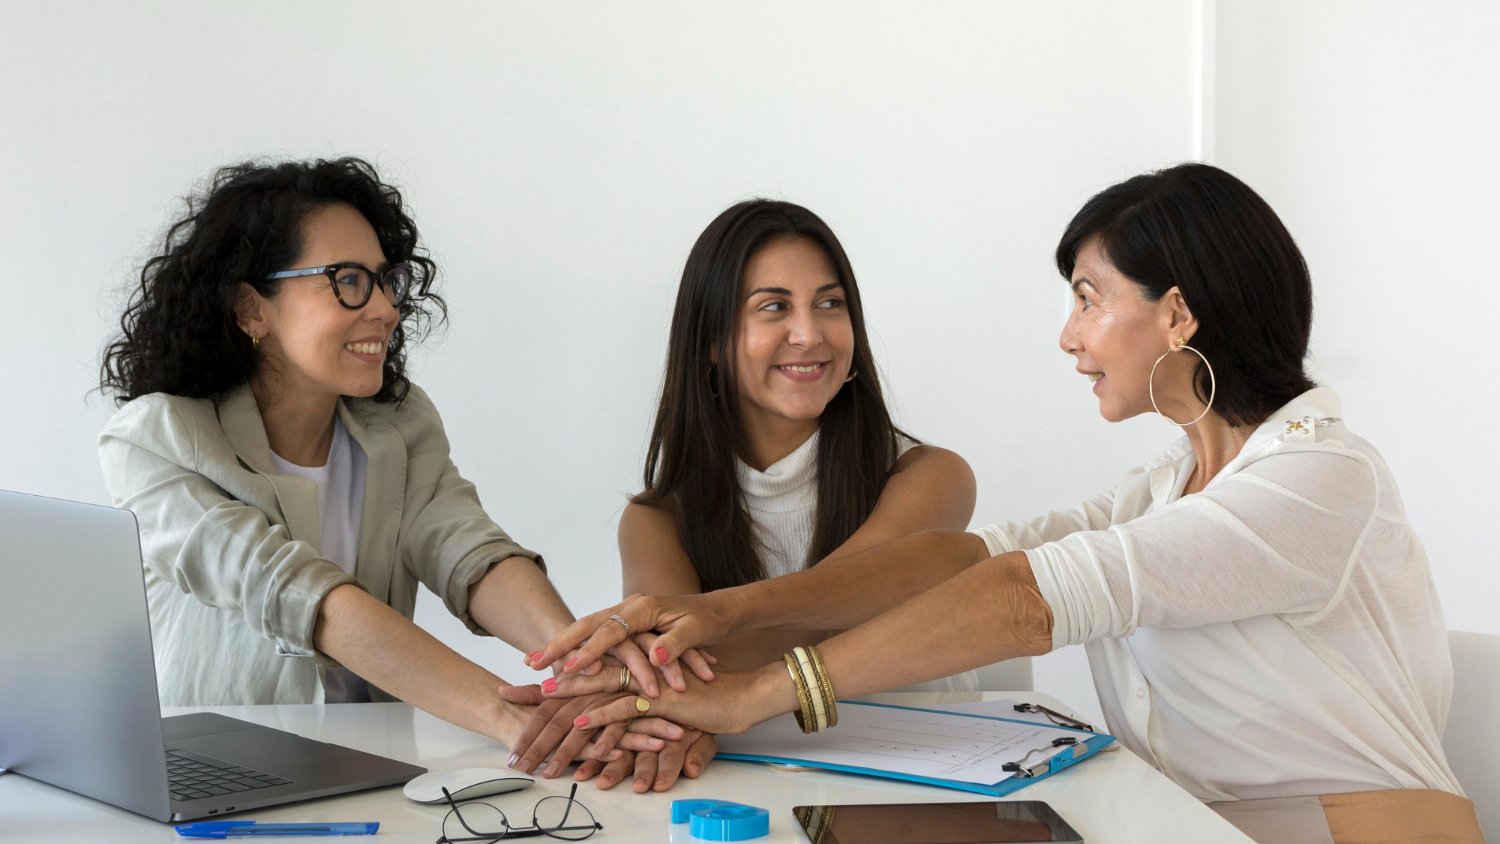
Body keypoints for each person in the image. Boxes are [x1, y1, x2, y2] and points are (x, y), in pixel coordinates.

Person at [520, 164, 1482, 841]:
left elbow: (1033, 593)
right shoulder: (1163, 486)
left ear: (1179, 315)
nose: (1069, 336)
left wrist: (752, 691)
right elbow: (977, 559)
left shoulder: (1318, 480)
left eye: (1088, 297)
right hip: (1181, 825)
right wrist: (718, 616)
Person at [96, 157, 677, 781]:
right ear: (250, 308)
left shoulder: (399, 422)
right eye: (347, 280)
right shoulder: (157, 440)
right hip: (215, 766)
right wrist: (515, 719)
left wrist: (578, 663)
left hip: (371, 767)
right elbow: (297, 594)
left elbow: (466, 549)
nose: (385, 309)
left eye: (384, 280)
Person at [512, 199, 977, 792]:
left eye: (829, 304)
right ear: (711, 340)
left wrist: (640, 687)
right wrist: (653, 700)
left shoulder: (931, 476)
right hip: (743, 778)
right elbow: (674, 674)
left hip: (928, 776)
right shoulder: (656, 519)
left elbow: (831, 612)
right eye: (774, 307)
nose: (809, 334)